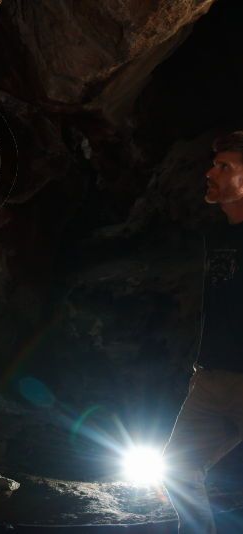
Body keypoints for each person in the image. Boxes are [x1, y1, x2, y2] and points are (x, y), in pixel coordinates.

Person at [162, 131, 243, 534]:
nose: (210, 172)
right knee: (177, 470)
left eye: (224, 166)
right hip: (210, 380)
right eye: (214, 164)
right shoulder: (219, 235)